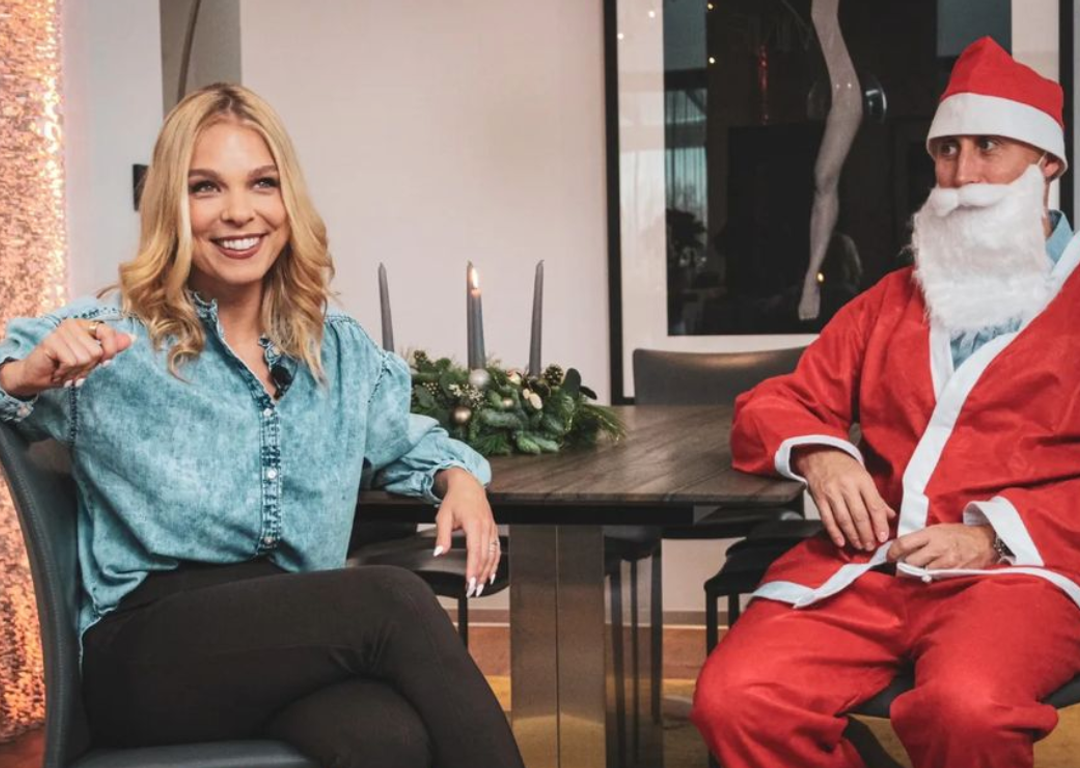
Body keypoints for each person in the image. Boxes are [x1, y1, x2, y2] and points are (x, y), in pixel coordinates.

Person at [0, 83, 524, 768]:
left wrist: (459, 477)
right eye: (206, 187)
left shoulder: (335, 348)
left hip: (283, 638)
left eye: (262, 183)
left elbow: (402, 438)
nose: (238, 212)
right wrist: (21, 375)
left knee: (389, 739)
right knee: (394, 599)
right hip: (146, 654)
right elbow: (11, 372)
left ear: (288, 200)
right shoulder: (115, 338)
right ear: (172, 205)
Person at [692, 37, 1080, 768]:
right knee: (735, 698)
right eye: (946, 150)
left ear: (1047, 164)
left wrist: (993, 537)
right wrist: (822, 455)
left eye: (988, 147)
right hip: (868, 570)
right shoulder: (892, 300)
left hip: (1019, 576)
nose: (961, 176)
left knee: (967, 709)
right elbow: (775, 402)